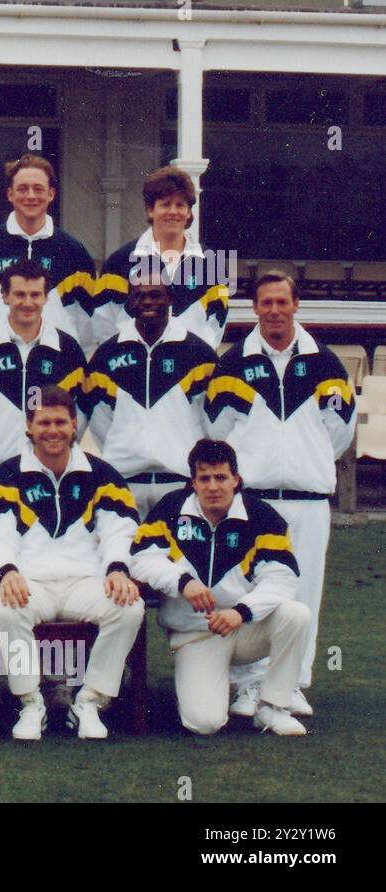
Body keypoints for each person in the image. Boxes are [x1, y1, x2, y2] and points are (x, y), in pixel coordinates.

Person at [205, 272, 354, 718]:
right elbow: (218, 431)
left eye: (281, 302)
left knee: (302, 593)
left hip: (308, 501)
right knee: (250, 590)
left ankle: (290, 685)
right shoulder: (232, 363)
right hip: (254, 501)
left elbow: (339, 434)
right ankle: (248, 686)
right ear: (255, 308)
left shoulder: (326, 363)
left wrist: (301, 464)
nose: (273, 310)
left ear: (295, 305)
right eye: (265, 303)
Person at [0, 386, 144, 740]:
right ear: (28, 426)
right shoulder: (6, 475)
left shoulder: (102, 474)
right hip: (32, 582)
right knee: (6, 608)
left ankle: (90, 700)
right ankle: (30, 701)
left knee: (129, 607)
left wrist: (117, 567)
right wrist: (7, 571)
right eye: (44, 422)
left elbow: (121, 529)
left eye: (60, 422)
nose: (52, 430)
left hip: (85, 581)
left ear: (74, 425)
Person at [130, 439, 310, 736]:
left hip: (243, 629)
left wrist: (241, 612)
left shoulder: (262, 516)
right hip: (194, 634)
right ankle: (211, 683)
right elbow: (140, 558)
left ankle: (272, 707)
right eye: (204, 478)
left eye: (221, 477)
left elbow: (282, 577)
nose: (213, 487)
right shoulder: (171, 508)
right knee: (204, 723)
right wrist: (183, 582)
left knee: (296, 615)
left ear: (235, 480)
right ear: (193, 482)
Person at [85, 271, 217, 516]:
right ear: (130, 302)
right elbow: (100, 422)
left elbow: (211, 423)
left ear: (170, 299)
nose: (146, 302)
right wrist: (127, 447)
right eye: (139, 296)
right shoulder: (107, 355)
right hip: (125, 484)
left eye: (155, 295)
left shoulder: (200, 354)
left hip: (181, 484)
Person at [0, 258, 87, 476]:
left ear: (46, 297)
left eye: (35, 294)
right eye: (20, 294)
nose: (28, 302)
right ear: (5, 296)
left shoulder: (68, 350)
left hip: (48, 474)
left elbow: (78, 415)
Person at [0, 154, 97, 352]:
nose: (30, 196)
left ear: (51, 194)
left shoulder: (74, 253)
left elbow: (87, 331)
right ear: (10, 194)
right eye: (22, 189)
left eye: (38, 189)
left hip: (56, 368)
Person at [91, 166, 230, 350]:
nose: (173, 211)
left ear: (189, 212)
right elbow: (104, 323)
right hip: (135, 368)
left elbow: (216, 324)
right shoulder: (120, 262)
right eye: (165, 204)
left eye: (180, 205)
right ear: (150, 210)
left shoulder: (212, 265)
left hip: (191, 370)